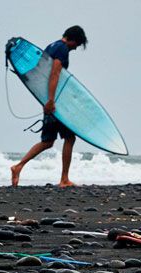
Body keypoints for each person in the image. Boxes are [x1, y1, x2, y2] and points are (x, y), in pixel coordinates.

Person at [11, 25, 88, 187]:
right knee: (69, 137)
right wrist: (51, 101)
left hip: (47, 99)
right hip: (54, 103)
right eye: (77, 44)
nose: (75, 48)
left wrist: (47, 99)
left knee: (48, 141)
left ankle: (18, 166)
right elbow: (54, 74)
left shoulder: (52, 46)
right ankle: (64, 179)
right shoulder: (62, 49)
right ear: (73, 39)